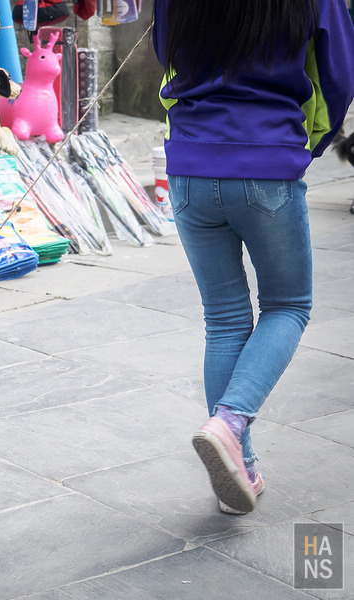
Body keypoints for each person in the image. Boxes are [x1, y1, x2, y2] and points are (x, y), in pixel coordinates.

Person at [153, 0, 354, 514]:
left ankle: (238, 469)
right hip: (268, 158)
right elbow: (338, 75)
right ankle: (231, 422)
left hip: (190, 165)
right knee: (289, 305)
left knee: (223, 319)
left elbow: (165, 52)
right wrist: (309, 145)